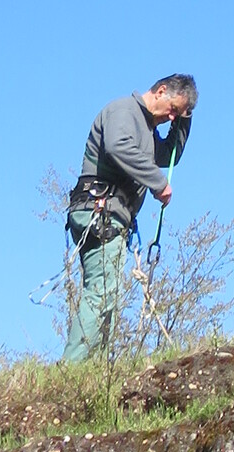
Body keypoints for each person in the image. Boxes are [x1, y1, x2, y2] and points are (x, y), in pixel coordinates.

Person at [62, 74, 198, 364]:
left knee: (110, 299)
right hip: (99, 212)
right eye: (172, 109)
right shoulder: (124, 110)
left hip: (113, 218)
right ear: (161, 91)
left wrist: (184, 120)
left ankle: (93, 372)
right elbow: (118, 147)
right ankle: (71, 368)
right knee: (102, 292)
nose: (170, 117)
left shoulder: (147, 131)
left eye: (176, 114)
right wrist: (158, 183)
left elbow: (168, 156)